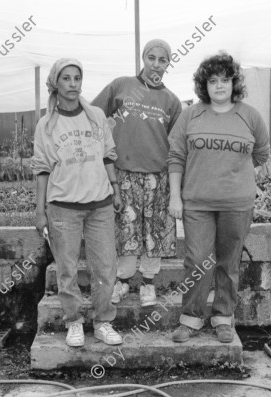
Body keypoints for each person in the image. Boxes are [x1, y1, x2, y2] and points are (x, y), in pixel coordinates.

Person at [167, 52, 270, 343]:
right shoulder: (191, 114)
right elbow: (175, 156)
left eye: (225, 80)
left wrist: (234, 175)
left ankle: (224, 317)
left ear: (234, 83)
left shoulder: (250, 116)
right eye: (213, 81)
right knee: (198, 260)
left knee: (229, 261)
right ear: (204, 85)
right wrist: (176, 197)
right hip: (197, 204)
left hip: (237, 205)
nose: (220, 86)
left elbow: (261, 153)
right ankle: (191, 318)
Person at [32, 58, 123, 347]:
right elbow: (42, 169)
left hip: (100, 205)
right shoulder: (46, 125)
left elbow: (108, 155)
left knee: (105, 267)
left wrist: (116, 190)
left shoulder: (96, 116)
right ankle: (73, 322)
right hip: (63, 207)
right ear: (55, 84)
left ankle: (103, 321)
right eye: (66, 79)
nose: (73, 84)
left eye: (77, 78)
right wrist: (40, 211)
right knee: (67, 268)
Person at [92, 39, 182, 307]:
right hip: (124, 175)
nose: (156, 64)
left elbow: (177, 145)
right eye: (151, 57)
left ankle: (148, 284)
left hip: (158, 176)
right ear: (143, 58)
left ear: (168, 64)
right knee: (126, 229)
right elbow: (94, 115)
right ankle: (121, 282)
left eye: (162, 59)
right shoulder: (121, 86)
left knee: (154, 232)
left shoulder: (172, 101)